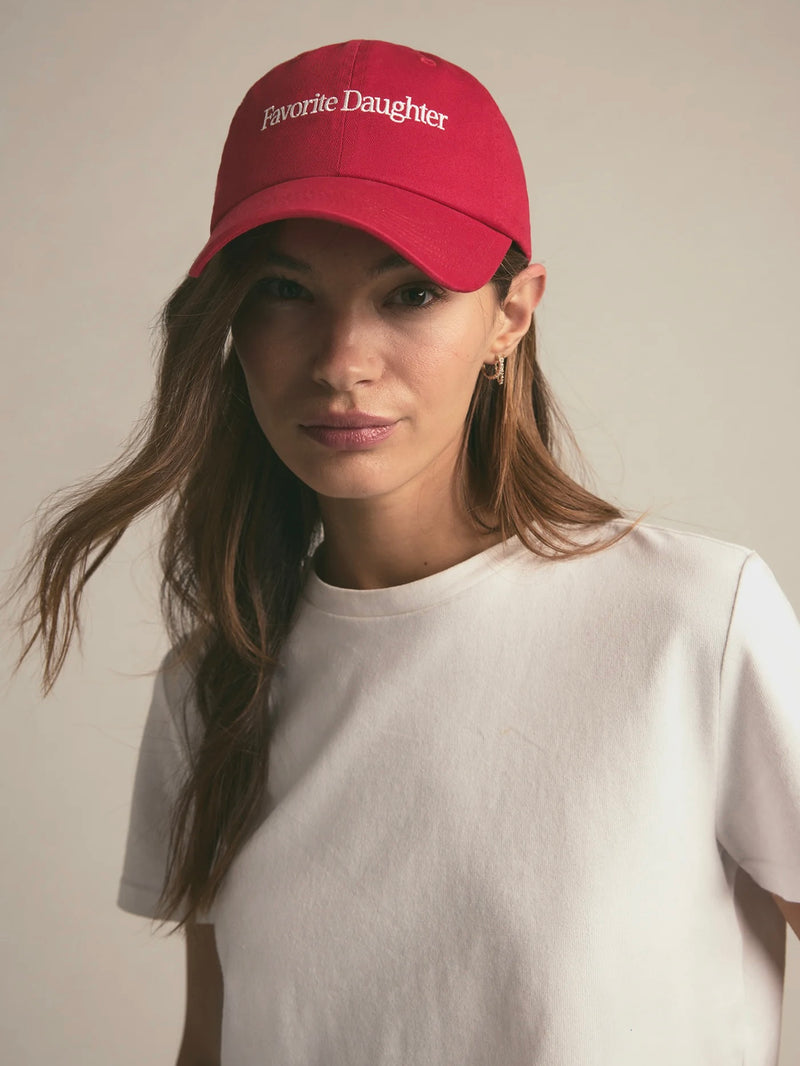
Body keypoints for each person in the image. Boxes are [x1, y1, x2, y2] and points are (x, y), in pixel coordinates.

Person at [5, 38, 800, 1066]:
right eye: (284, 291)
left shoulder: (694, 621)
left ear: (509, 314)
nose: (341, 362)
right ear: (231, 323)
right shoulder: (213, 686)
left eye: (409, 293)